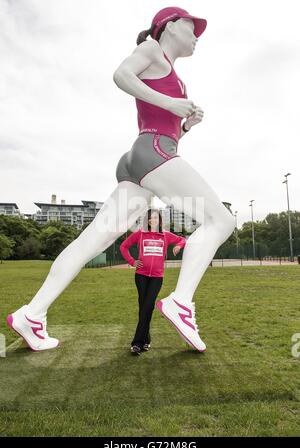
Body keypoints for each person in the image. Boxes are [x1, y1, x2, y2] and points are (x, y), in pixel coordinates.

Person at [6, 6, 235, 353]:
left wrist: (187, 125)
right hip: (152, 152)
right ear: (170, 26)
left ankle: (31, 314)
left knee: (89, 243)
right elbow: (121, 75)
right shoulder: (152, 49)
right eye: (192, 28)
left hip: (143, 161)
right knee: (222, 220)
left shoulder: (174, 74)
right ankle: (181, 302)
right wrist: (172, 105)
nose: (196, 36)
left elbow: (169, 133)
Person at [120, 208, 186, 356]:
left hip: (157, 277)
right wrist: (132, 261)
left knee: (148, 306)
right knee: (144, 308)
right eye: (150, 218)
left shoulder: (165, 235)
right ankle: (146, 340)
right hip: (141, 276)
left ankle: (137, 343)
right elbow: (123, 246)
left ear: (159, 220)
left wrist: (178, 246)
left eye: (155, 218)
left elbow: (183, 239)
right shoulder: (140, 234)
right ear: (147, 220)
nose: (152, 220)